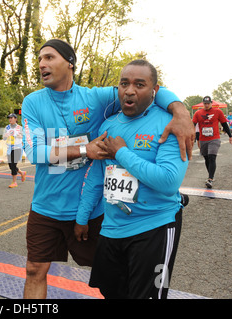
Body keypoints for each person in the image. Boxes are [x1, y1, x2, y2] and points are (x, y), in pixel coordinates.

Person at [21, 39, 194, 299]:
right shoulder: (32, 102)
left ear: (70, 63)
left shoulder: (96, 98)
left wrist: (180, 111)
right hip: (47, 206)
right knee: (34, 269)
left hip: (95, 211)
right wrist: (84, 150)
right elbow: (34, 152)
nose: (41, 64)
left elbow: (145, 87)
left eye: (49, 57)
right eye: (39, 59)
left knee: (116, 278)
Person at [75, 59, 189, 299]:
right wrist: (82, 217)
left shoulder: (171, 124)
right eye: (124, 83)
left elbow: (169, 182)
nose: (129, 90)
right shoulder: (108, 125)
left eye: (140, 84)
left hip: (155, 226)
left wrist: (122, 153)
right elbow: (97, 175)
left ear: (155, 91)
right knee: (112, 292)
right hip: (112, 228)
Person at [192, 96, 232, 188]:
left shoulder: (218, 112)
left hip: (214, 138)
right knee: (206, 158)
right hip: (203, 139)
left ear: (211, 103)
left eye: (208, 103)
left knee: (212, 157)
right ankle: (210, 175)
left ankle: (210, 179)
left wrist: (230, 136)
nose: (206, 105)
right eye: (205, 103)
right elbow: (193, 125)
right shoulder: (198, 113)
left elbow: (224, 124)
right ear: (203, 104)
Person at [3, 113, 26, 188]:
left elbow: (24, 136)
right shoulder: (7, 127)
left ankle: (14, 182)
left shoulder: (20, 128)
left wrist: (18, 136)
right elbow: (4, 137)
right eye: (9, 118)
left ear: (16, 119)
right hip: (10, 148)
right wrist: (5, 136)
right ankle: (21, 172)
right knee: (10, 165)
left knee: (13, 164)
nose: (10, 119)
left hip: (17, 148)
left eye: (11, 118)